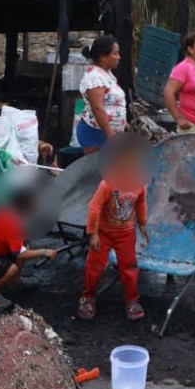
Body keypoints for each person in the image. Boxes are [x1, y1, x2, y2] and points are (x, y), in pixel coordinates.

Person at [79, 136, 151, 322]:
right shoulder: (107, 185)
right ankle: (88, 297)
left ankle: (132, 300)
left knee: (129, 267)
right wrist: (93, 233)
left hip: (126, 234)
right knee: (94, 266)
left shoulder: (140, 184)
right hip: (103, 233)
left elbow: (141, 204)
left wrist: (143, 224)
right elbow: (94, 208)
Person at [0, 188, 56, 310]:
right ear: (26, 206)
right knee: (12, 269)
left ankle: (14, 282)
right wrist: (45, 252)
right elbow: (20, 254)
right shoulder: (12, 223)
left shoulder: (8, 212)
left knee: (24, 248)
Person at [76, 35, 126, 154]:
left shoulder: (106, 73)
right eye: (115, 54)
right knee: (100, 170)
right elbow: (97, 108)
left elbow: (110, 103)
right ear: (103, 57)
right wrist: (112, 136)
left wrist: (124, 122)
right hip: (97, 133)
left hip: (107, 133)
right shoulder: (94, 77)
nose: (119, 57)